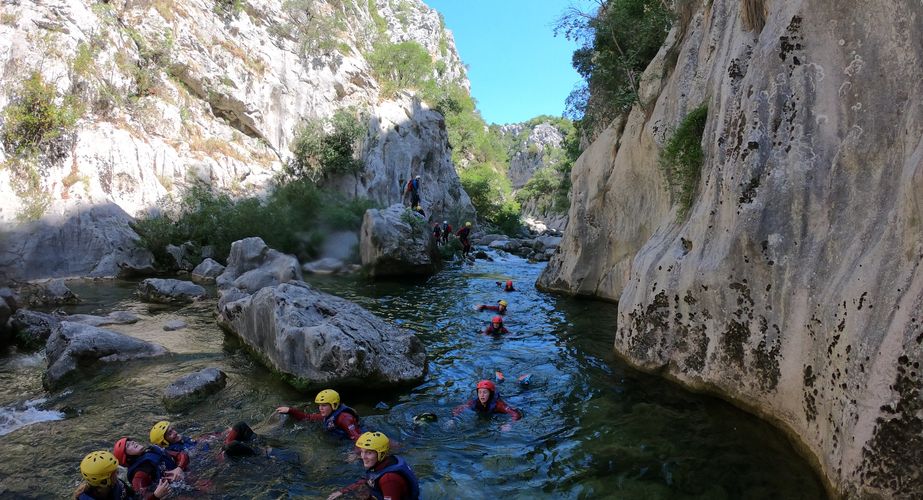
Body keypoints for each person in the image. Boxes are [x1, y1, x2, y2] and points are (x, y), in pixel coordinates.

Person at [326, 431, 420, 500]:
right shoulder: (385, 462)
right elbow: (370, 478)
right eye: (362, 452)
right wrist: (343, 491)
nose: (363, 457)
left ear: (381, 454)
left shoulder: (389, 479)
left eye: (369, 453)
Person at [276, 389, 362, 441]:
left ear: (334, 405)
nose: (320, 408)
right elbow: (307, 417)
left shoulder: (344, 418)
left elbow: (357, 438)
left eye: (324, 405)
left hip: (347, 441)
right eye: (319, 405)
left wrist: (354, 454)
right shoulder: (329, 414)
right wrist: (290, 410)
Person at [113, 437, 183, 500]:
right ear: (127, 458)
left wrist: (179, 468)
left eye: (131, 441)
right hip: (172, 493)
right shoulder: (139, 475)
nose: (133, 442)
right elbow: (141, 497)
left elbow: (182, 455)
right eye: (128, 445)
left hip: (180, 479)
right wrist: (156, 496)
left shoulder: (152, 451)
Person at [149, 420, 257, 459]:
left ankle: (261, 443)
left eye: (173, 429)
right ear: (163, 442)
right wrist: (217, 451)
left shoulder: (182, 439)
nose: (175, 432)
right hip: (217, 458)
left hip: (218, 449)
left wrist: (223, 434)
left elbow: (200, 440)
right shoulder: (175, 453)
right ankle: (259, 454)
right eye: (170, 433)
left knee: (240, 425)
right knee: (232, 445)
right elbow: (197, 458)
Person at [453, 380, 523, 428]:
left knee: (522, 397)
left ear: (490, 394)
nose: (482, 395)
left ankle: (522, 384)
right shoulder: (474, 402)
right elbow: (459, 408)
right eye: (480, 392)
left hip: (511, 400)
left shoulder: (499, 405)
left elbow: (516, 414)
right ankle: (500, 381)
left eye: (485, 392)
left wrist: (509, 424)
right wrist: (453, 419)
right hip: (487, 412)